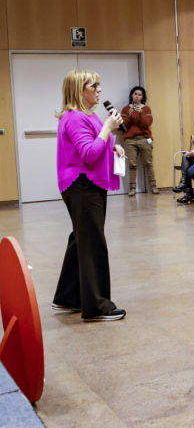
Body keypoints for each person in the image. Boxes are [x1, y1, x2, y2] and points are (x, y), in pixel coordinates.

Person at [52, 69, 127, 322]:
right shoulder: (74, 118)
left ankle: (67, 297)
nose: (99, 90)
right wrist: (108, 127)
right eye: (93, 85)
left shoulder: (88, 115)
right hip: (82, 185)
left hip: (87, 184)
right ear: (79, 90)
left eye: (98, 85)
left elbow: (97, 144)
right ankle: (97, 306)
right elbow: (89, 154)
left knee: (81, 238)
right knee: (92, 242)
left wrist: (113, 146)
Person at [120, 85, 158, 197]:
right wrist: (130, 115)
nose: (137, 96)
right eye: (135, 94)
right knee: (132, 164)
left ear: (142, 97)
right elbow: (124, 127)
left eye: (139, 94)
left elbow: (146, 124)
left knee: (149, 163)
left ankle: (153, 186)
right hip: (130, 140)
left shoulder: (146, 109)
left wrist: (141, 113)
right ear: (132, 95)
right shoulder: (125, 109)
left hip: (144, 139)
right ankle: (132, 188)